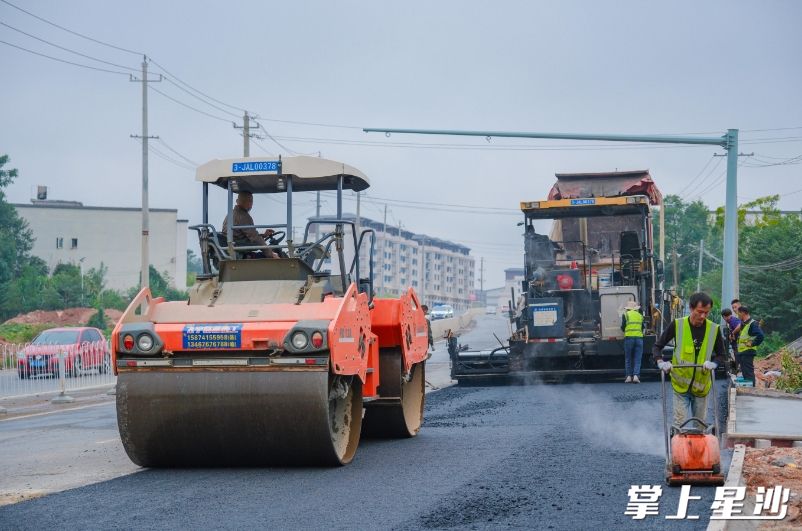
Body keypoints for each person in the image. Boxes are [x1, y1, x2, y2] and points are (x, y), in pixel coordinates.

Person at [653, 292, 726, 430]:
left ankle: (698, 443)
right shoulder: (677, 325)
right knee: (680, 425)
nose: (703, 316)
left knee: (700, 427)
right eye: (700, 312)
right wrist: (660, 362)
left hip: (701, 387)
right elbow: (657, 346)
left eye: (706, 312)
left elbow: (722, 355)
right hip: (680, 386)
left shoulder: (713, 329)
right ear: (691, 308)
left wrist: (714, 363)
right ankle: (678, 443)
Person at [221, 192, 277, 258]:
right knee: (267, 256)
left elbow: (246, 235)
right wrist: (271, 254)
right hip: (238, 251)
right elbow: (255, 238)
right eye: (250, 201)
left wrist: (264, 235)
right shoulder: (243, 216)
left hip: (234, 247)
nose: (251, 204)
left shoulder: (232, 213)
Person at [736, 306, 764, 387]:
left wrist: (752, 343)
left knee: (748, 373)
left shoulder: (753, 323)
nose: (738, 315)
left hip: (748, 351)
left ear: (743, 313)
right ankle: (748, 389)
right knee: (745, 372)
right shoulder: (745, 323)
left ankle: (751, 390)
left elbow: (761, 336)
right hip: (743, 352)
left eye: (738, 313)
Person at [620, 300, 644, 383]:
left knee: (628, 358)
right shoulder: (640, 316)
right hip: (639, 338)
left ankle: (629, 376)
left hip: (629, 338)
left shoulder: (625, 315)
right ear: (636, 308)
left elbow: (623, 327)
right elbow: (642, 327)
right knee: (638, 358)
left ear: (628, 308)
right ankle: (636, 376)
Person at [721, 308, 742, 373]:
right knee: (736, 354)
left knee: (737, 354)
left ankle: (739, 368)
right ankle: (737, 367)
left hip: (738, 343)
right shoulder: (731, 321)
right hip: (736, 342)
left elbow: (740, 326)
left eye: (724, 317)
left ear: (724, 316)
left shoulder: (733, 320)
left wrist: (732, 333)